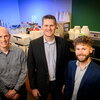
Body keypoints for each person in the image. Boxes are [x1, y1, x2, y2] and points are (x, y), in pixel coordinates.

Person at [27, 14, 70, 100]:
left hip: (58, 83)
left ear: (56, 26)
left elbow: (66, 65)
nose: (48, 28)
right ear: (42, 26)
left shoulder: (64, 43)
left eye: (51, 25)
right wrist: (33, 87)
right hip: (41, 83)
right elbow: (30, 67)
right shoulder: (34, 44)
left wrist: (65, 83)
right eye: (46, 25)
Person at [64, 36, 100, 100]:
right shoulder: (70, 64)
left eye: (84, 49)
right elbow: (68, 82)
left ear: (91, 50)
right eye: (78, 49)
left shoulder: (98, 72)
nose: (80, 52)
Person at [0, 27, 27, 100]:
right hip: (4, 92)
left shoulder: (19, 52)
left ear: (9, 36)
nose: (3, 40)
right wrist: (6, 92)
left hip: (20, 89)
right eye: (0, 37)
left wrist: (15, 90)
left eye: (5, 36)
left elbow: (24, 72)